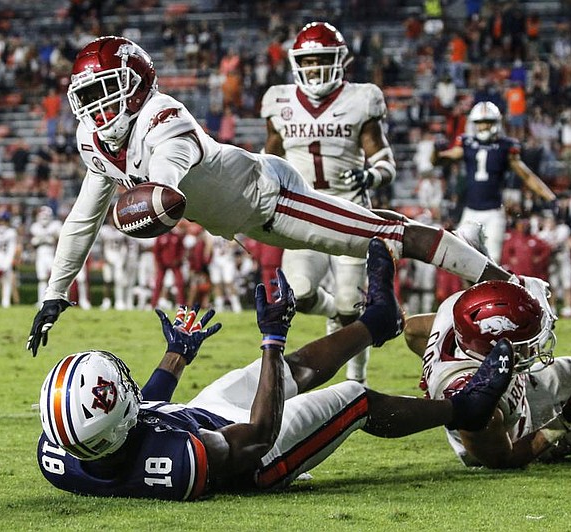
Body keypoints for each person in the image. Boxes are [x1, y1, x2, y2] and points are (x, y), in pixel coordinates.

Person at [26, 36, 522, 356]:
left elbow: (166, 180)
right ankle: (355, 316)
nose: (95, 107)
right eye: (86, 97)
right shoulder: (94, 140)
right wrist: (54, 292)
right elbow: (81, 219)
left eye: (105, 89)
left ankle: (510, 284)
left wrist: (154, 200)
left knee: (383, 235)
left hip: (272, 196)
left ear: (138, 86)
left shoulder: (163, 118)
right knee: (310, 290)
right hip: (244, 219)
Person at [36, 239, 514, 499]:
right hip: (253, 457)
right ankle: (463, 410)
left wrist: (175, 357)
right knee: (353, 399)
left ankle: (377, 321)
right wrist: (271, 336)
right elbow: (261, 435)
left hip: (193, 420)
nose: (128, 387)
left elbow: (135, 412)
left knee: (291, 370)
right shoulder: (174, 461)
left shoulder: (64, 448)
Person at [261, 22, 398, 384]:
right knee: (300, 293)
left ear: (340, 60)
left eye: (323, 59)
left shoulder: (360, 98)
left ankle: (356, 381)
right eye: (309, 61)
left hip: (350, 214)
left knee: (350, 307)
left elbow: (383, 157)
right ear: (296, 64)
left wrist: (373, 176)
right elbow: (267, 160)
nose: (316, 68)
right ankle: (333, 312)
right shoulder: (280, 101)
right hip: (303, 215)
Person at [404, 279, 571, 468]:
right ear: (493, 344)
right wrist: (566, 420)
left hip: (517, 386)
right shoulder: (477, 403)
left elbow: (411, 330)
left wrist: (432, 371)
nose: (536, 347)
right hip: (515, 439)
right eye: (528, 341)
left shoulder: (455, 313)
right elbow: (504, 460)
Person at [433, 101, 556, 262]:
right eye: (480, 123)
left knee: (492, 263)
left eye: (487, 122)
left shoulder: (505, 146)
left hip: (494, 213)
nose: (483, 127)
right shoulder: (467, 143)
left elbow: (526, 175)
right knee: (461, 261)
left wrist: (549, 196)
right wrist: (436, 151)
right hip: (471, 211)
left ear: (495, 123)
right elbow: (438, 161)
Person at [30, 206, 62, 305]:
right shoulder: (35, 227)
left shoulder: (55, 225)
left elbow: (60, 239)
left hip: (52, 253)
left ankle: (56, 299)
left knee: (55, 278)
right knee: (42, 278)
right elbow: (34, 242)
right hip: (40, 255)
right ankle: (41, 300)